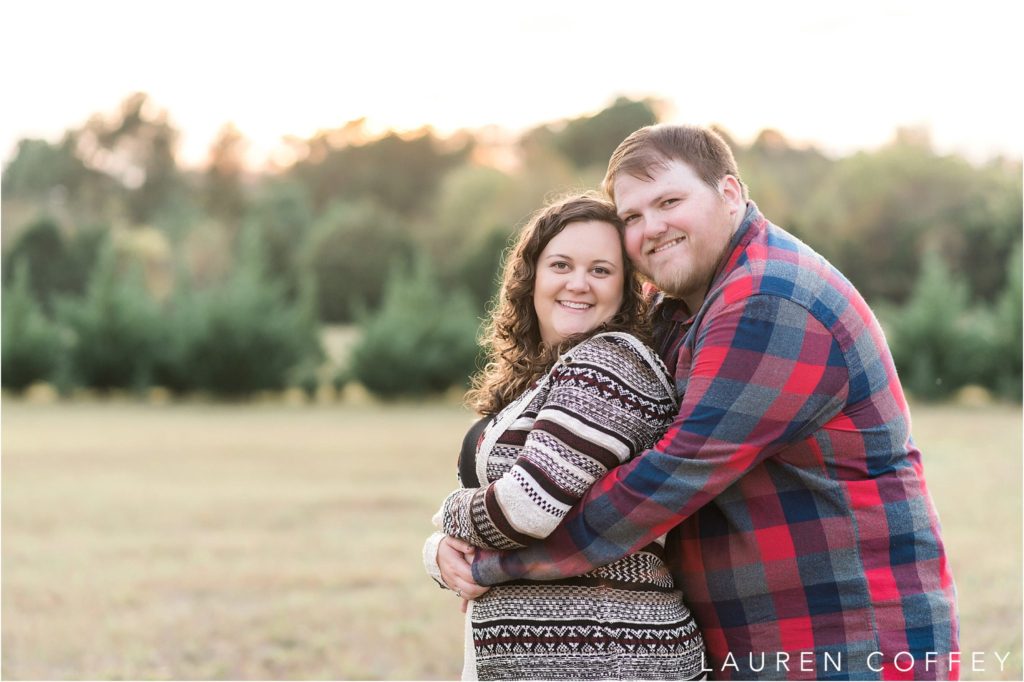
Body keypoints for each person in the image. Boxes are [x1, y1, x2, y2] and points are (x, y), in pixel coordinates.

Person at [461, 125, 960, 680]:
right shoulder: (681, 310)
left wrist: (498, 564)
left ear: (729, 193)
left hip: (843, 640)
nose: (652, 227)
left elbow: (671, 476)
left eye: (669, 201)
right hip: (749, 640)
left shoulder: (770, 299)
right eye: (631, 217)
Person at [423, 193, 707, 680]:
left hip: (609, 655)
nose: (578, 283)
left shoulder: (609, 365)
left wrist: (446, 520)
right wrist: (436, 553)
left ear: (627, 287)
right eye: (561, 264)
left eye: (600, 270)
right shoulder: (547, 375)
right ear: (532, 276)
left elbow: (526, 507)